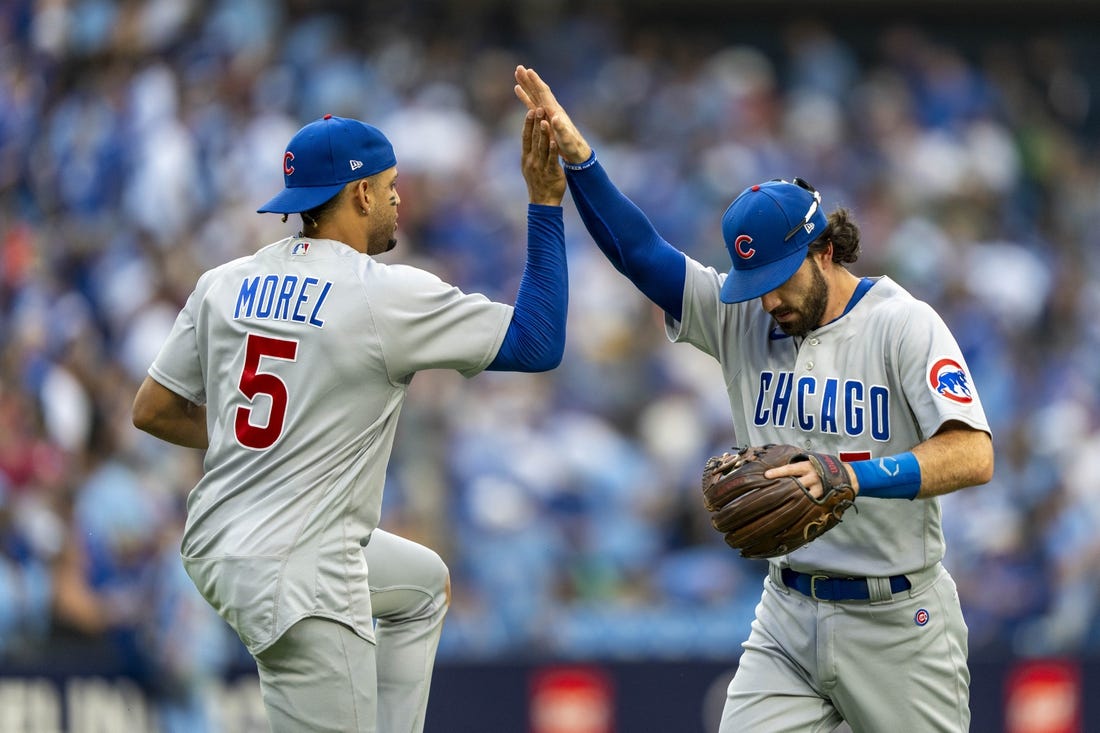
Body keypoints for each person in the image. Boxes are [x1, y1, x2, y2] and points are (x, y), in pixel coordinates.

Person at [514, 65, 993, 732]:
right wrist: (582, 162)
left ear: (825, 249)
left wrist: (850, 477)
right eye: (753, 281)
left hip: (898, 620)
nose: (767, 299)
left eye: (778, 278)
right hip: (787, 613)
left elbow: (972, 454)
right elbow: (641, 254)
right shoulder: (745, 315)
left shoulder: (902, 323)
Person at [131, 104, 568, 733]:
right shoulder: (380, 293)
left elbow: (154, 409)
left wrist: (262, 436)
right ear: (361, 193)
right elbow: (539, 341)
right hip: (299, 568)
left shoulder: (225, 282)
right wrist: (544, 203)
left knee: (421, 587)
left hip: (222, 539)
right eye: (390, 189)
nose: (398, 203)